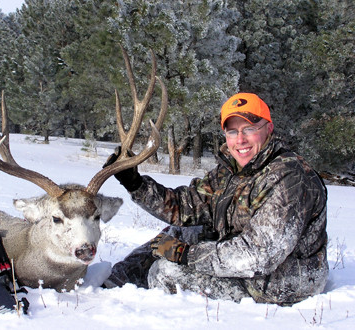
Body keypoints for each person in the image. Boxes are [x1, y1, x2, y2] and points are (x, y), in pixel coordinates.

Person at [102, 92, 328, 306]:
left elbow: (257, 255)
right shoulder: (231, 171)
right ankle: (110, 286)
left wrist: (186, 255)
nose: (240, 140)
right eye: (232, 132)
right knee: (177, 233)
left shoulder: (289, 178)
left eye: (249, 129)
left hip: (282, 280)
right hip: (241, 257)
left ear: (268, 128)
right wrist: (135, 183)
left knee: (166, 273)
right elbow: (185, 206)